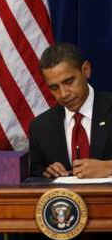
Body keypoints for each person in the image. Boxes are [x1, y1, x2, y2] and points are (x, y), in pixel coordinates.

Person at [29, 42, 112, 178]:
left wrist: (109, 167)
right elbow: (35, 177)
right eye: (54, 88)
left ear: (86, 70)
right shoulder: (40, 127)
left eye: (68, 82)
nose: (63, 94)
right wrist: (47, 173)